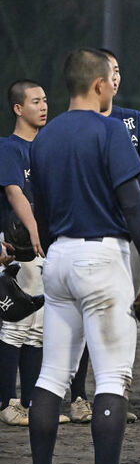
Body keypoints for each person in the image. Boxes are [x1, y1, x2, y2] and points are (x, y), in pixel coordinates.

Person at [27, 47, 140, 464]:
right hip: (102, 258)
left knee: (51, 374)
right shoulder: (108, 129)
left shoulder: (43, 138)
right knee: (111, 375)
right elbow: (133, 204)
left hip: (59, 257)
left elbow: (41, 211)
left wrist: (49, 246)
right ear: (100, 84)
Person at [67, 47, 140, 425]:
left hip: (128, 233)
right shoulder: (78, 124)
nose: (116, 77)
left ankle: (116, 393)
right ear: (97, 78)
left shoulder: (133, 121)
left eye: (120, 69)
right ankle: (78, 395)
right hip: (93, 233)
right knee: (82, 319)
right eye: (110, 70)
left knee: (122, 314)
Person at [0, 79, 61, 426]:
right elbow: (14, 192)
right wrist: (36, 232)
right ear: (18, 109)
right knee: (15, 325)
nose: (43, 106)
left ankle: (30, 401)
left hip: (48, 246)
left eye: (45, 99)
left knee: (38, 329)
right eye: (35, 101)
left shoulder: (49, 148)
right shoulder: (9, 148)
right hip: (20, 245)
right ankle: (7, 402)